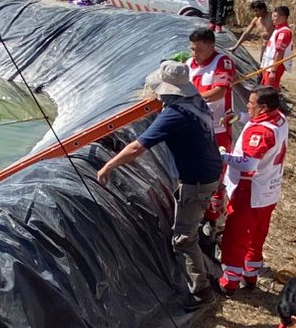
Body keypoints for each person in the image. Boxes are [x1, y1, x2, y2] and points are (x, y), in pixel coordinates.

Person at [96, 61, 224, 300]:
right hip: (209, 172)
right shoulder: (196, 103)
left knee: (183, 239)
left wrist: (108, 166)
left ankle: (201, 291)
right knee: (190, 223)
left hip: (197, 181)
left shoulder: (175, 115)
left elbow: (136, 148)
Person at [216, 87, 288, 295]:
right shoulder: (280, 119)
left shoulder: (260, 132)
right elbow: (255, 118)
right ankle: (250, 274)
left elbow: (248, 164)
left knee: (235, 236)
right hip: (269, 189)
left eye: (251, 103)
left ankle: (229, 281)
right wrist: (238, 117)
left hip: (250, 190)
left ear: (263, 107)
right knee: (257, 235)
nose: (247, 105)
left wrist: (224, 155)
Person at [187, 27, 239, 149]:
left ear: (211, 46)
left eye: (199, 50)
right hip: (194, 122)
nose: (194, 54)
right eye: (192, 49)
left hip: (217, 126)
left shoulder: (222, 62)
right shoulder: (189, 63)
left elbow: (219, 93)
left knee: (218, 163)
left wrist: (189, 99)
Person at [259, 5, 295, 90]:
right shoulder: (277, 30)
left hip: (273, 67)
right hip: (268, 66)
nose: (273, 19)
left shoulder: (284, 32)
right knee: (264, 90)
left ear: (283, 18)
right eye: (272, 16)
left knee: (269, 91)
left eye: (275, 16)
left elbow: (279, 52)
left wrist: (273, 71)